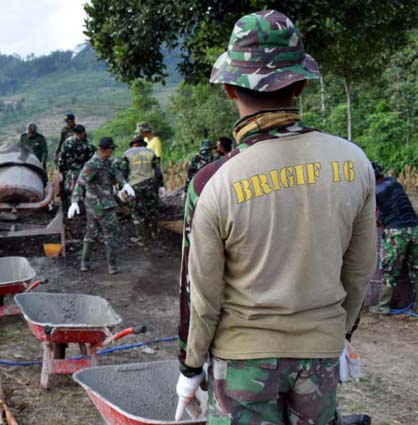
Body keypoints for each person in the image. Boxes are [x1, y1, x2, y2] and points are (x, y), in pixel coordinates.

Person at [175, 11, 377, 424]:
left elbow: (201, 293)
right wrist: (340, 336)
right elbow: (359, 271)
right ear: (301, 84)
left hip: (243, 364)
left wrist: (190, 366)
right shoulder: (354, 163)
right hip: (319, 355)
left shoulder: (213, 181)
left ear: (230, 88)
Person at [68, 137, 134, 274]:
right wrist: (74, 201)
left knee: (91, 233)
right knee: (112, 234)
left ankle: (84, 264)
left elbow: (115, 173)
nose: (113, 151)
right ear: (104, 149)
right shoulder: (92, 165)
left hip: (96, 205)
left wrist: (125, 184)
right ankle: (112, 266)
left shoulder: (106, 162)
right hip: (101, 206)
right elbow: (80, 182)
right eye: (111, 149)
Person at [369, 162, 418, 314]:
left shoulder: (375, 191)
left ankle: (383, 306)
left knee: (390, 270)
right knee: (416, 269)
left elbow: (373, 216)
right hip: (415, 228)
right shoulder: (394, 182)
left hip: (396, 231)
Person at [123, 136, 163, 244]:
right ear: (143, 144)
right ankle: (155, 233)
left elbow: (124, 172)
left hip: (134, 186)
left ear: (133, 144)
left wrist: (122, 188)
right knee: (152, 210)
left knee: (137, 212)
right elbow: (158, 172)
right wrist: (160, 185)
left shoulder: (127, 153)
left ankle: (141, 238)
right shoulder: (150, 152)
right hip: (150, 184)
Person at [57, 124, 95, 209]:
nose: (78, 135)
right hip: (70, 170)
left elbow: (91, 160)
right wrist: (60, 171)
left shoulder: (88, 145)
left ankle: (83, 207)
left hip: (82, 170)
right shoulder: (68, 142)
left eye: (79, 133)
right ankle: (68, 207)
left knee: (83, 189)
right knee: (69, 189)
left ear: (83, 133)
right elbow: (62, 156)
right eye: (76, 133)